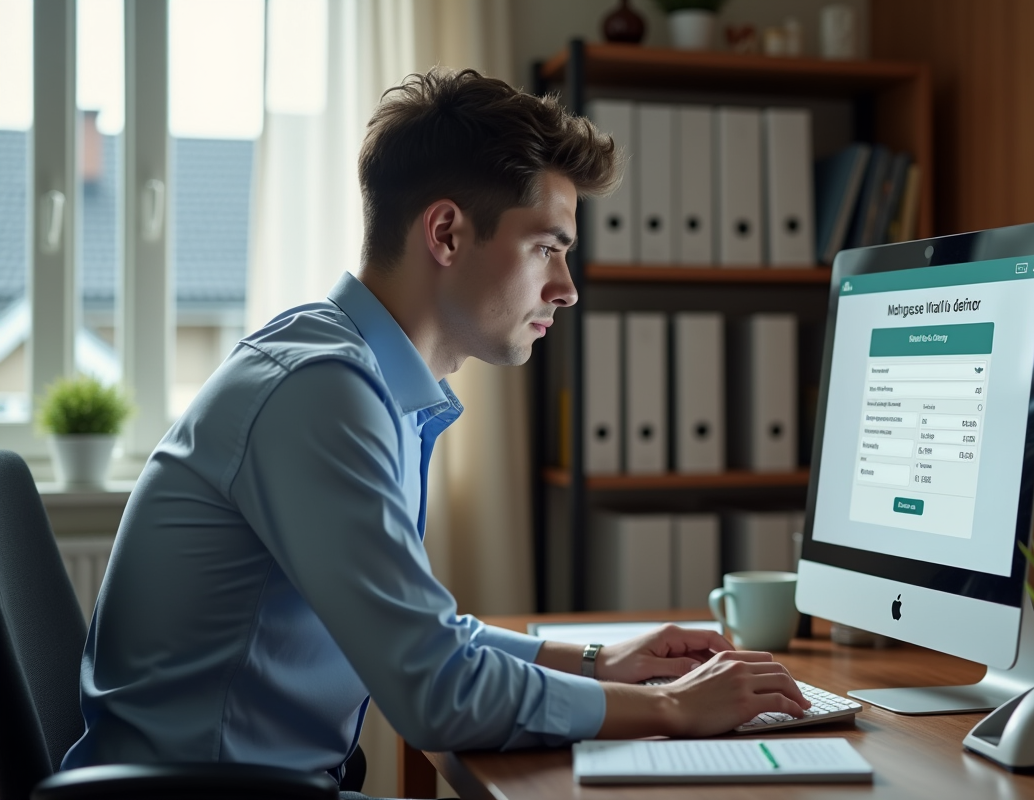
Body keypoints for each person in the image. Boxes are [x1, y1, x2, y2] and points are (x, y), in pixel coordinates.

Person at [62, 67, 808, 792]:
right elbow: (436, 691)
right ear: (447, 233)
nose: (568, 289)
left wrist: (597, 662)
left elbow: (428, 637)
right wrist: (674, 707)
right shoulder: (321, 392)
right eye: (547, 248)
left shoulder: (356, 377)